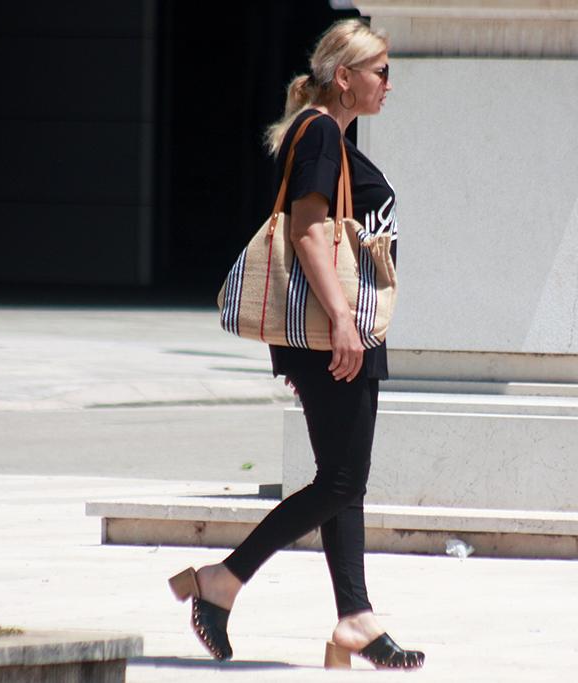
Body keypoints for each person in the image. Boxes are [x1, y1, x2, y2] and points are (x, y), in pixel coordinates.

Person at [168, 18, 424, 671]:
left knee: (344, 479)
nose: (389, 83)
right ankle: (224, 579)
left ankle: (355, 617)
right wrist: (341, 320)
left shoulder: (328, 134)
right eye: (381, 71)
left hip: (341, 329)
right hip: (332, 331)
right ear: (345, 77)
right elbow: (308, 229)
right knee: (341, 479)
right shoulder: (320, 134)